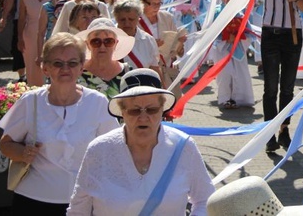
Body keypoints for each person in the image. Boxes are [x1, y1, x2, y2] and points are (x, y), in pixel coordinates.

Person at [0, 33, 118, 214]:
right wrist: (23, 153)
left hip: (84, 202)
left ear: (81, 67)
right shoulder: (30, 101)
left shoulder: (98, 102)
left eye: (72, 63)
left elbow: (113, 150)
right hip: (33, 201)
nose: (65, 69)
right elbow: (5, 144)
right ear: (45, 68)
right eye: (57, 63)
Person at [68, 68, 215, 214]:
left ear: (162, 109)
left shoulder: (183, 146)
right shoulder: (99, 150)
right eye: (134, 110)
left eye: (151, 110)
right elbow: (78, 210)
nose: (143, 118)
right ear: (122, 112)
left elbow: (205, 200)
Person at [261, 0, 303, 153]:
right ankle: (268, 132)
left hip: (292, 34)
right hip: (270, 32)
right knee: (270, 86)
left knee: (287, 87)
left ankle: (284, 129)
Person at [139, 0, 185, 92]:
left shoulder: (167, 18)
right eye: (153, 4)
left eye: (159, 3)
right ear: (142, 3)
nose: (157, 7)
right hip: (145, 71)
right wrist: (152, 45)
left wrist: (180, 43)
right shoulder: (134, 20)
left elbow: (178, 53)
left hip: (166, 71)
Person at [77, 18, 135, 99]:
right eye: (96, 41)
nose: (102, 47)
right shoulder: (77, 73)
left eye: (108, 41)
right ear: (87, 44)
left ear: (116, 44)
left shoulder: (128, 72)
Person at [113, 0, 163, 82]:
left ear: (138, 19)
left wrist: (163, 92)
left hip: (142, 89)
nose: (127, 23)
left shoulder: (148, 40)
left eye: (131, 19)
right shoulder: (108, 40)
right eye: (122, 20)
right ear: (116, 19)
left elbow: (154, 69)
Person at [17, 0, 51, 86]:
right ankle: (33, 95)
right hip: (30, 35)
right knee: (31, 67)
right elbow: (21, 18)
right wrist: (20, 38)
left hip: (48, 33)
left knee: (48, 65)